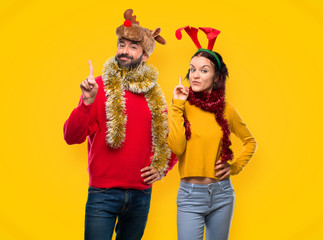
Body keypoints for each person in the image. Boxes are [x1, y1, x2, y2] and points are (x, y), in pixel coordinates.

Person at [63, 9, 176, 240]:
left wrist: (163, 168)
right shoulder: (97, 87)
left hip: (141, 196)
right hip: (102, 194)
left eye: (133, 47)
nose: (124, 51)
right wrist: (86, 103)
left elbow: (171, 139)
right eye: (121, 44)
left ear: (145, 55)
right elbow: (71, 136)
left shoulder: (154, 96)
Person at [168, 26, 257, 240]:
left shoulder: (228, 110)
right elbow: (177, 147)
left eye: (204, 70)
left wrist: (234, 167)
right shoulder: (180, 106)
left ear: (216, 77)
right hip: (190, 195)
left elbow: (250, 142)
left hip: (222, 194)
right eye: (192, 69)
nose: (196, 75)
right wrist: (177, 105)